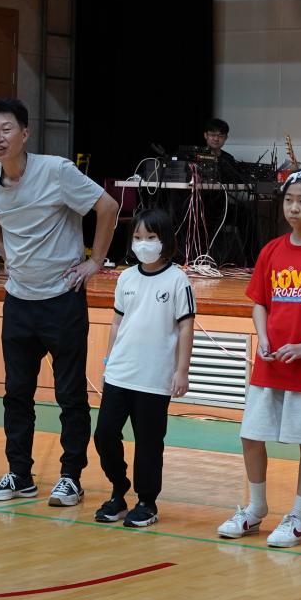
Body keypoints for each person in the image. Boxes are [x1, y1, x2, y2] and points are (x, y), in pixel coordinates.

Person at [0, 98, 121, 507]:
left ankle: (71, 477)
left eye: (6, 129)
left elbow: (108, 206)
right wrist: (6, 251)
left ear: (24, 134)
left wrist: (95, 261)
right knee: (16, 393)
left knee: (70, 394)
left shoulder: (57, 171)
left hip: (62, 300)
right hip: (18, 301)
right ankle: (19, 475)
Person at [217, 171, 301, 546]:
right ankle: (255, 508)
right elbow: (259, 302)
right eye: (289, 200)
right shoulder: (272, 250)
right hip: (271, 364)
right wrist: (262, 337)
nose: (294, 208)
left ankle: (299, 517)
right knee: (251, 435)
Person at [92, 208, 195, 528]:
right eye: (138, 237)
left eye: (151, 237)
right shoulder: (126, 277)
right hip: (120, 373)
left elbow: (186, 326)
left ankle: (147, 502)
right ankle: (118, 489)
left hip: (154, 378)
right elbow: (117, 322)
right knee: (104, 434)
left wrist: (182, 370)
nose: (143, 243)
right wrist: (108, 362)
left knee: (149, 442)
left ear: (165, 241)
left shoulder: (178, 280)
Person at [199, 116, 243, 181]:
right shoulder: (196, 155)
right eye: (213, 135)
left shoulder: (229, 159)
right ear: (205, 135)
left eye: (220, 136)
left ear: (226, 138)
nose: (216, 139)